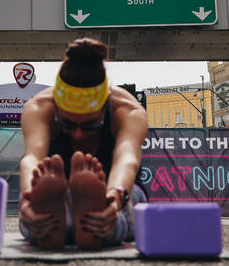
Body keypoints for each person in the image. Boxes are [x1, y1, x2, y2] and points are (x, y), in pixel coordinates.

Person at [18, 38, 148, 251]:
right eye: (67, 123)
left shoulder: (128, 111)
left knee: (131, 199)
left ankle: (88, 223)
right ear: (56, 109)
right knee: (38, 213)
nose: (78, 135)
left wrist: (115, 197)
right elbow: (32, 158)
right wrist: (27, 198)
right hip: (60, 194)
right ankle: (57, 224)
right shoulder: (39, 107)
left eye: (89, 125)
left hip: (117, 192)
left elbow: (128, 160)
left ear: (105, 106)